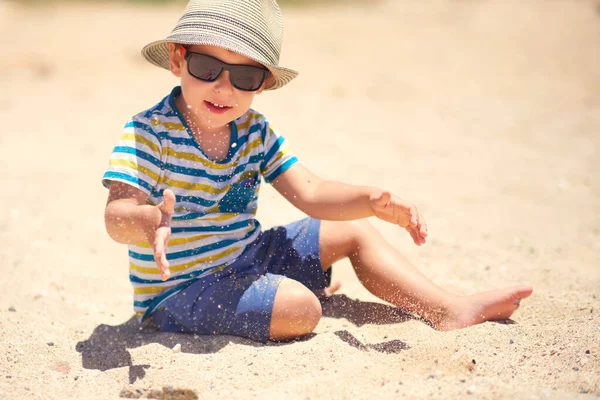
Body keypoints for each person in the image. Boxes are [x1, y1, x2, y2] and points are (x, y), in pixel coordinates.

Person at [103, 0, 533, 343]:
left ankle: (444, 309)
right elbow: (115, 217)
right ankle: (255, 298)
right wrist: (147, 219)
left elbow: (310, 191)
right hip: (180, 288)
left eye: (245, 76)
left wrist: (368, 201)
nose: (224, 87)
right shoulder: (147, 133)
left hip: (247, 254)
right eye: (206, 68)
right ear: (179, 60)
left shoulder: (253, 130)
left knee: (355, 230)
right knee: (301, 309)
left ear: (265, 83)